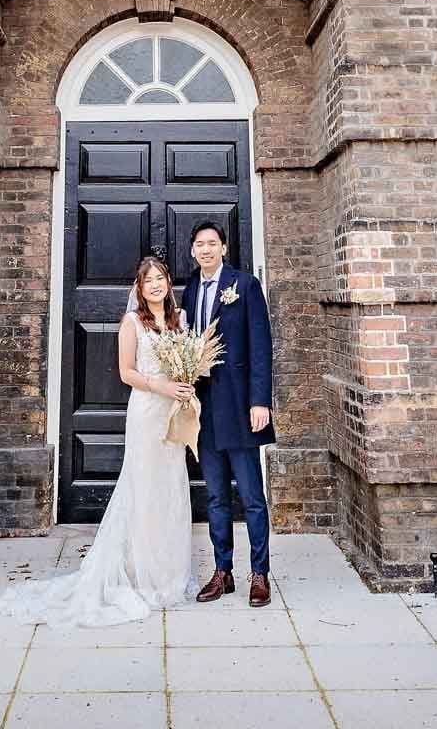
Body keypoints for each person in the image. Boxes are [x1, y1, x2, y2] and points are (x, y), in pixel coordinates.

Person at [0, 254, 195, 626]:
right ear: (139, 287)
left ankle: (167, 575)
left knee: (171, 489)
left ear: (168, 283)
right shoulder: (133, 322)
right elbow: (126, 372)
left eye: (160, 278)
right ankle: (138, 574)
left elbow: (186, 363)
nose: (155, 284)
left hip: (173, 416)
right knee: (144, 489)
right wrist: (163, 385)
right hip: (147, 412)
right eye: (147, 279)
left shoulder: (179, 320)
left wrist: (184, 385)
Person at [180, 220, 275, 607]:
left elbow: (260, 346)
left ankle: (260, 573)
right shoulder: (188, 290)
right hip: (205, 412)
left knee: (251, 495)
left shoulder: (245, 285)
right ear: (192, 251)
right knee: (216, 497)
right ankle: (223, 572)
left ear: (223, 248)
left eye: (212, 243)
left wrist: (260, 401)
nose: (205, 250)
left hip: (239, 406)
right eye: (199, 244)